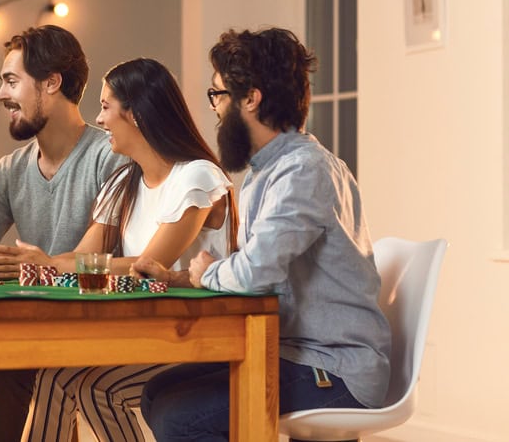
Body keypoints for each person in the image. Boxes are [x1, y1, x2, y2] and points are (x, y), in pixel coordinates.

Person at [138, 27, 391, 442]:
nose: (215, 109)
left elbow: (257, 271)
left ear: (251, 98)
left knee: (178, 417)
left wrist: (207, 274)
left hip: (333, 368)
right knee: (158, 393)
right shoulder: (269, 172)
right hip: (296, 353)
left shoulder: (303, 171)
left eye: (218, 95)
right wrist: (187, 278)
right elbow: (260, 268)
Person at [0, 58, 237, 442]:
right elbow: (83, 256)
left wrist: (49, 264)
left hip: (199, 337)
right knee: (57, 378)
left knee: (92, 387)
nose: (98, 120)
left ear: (136, 114)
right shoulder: (124, 181)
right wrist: (34, 263)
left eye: (105, 107)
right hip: (150, 334)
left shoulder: (196, 176)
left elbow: (149, 265)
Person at [0, 24, 125, 442]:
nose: (1, 95)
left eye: (10, 81)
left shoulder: (109, 158)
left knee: (3, 377)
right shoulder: (11, 170)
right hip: (18, 331)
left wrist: (43, 267)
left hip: (93, 330)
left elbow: (113, 260)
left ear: (52, 83)